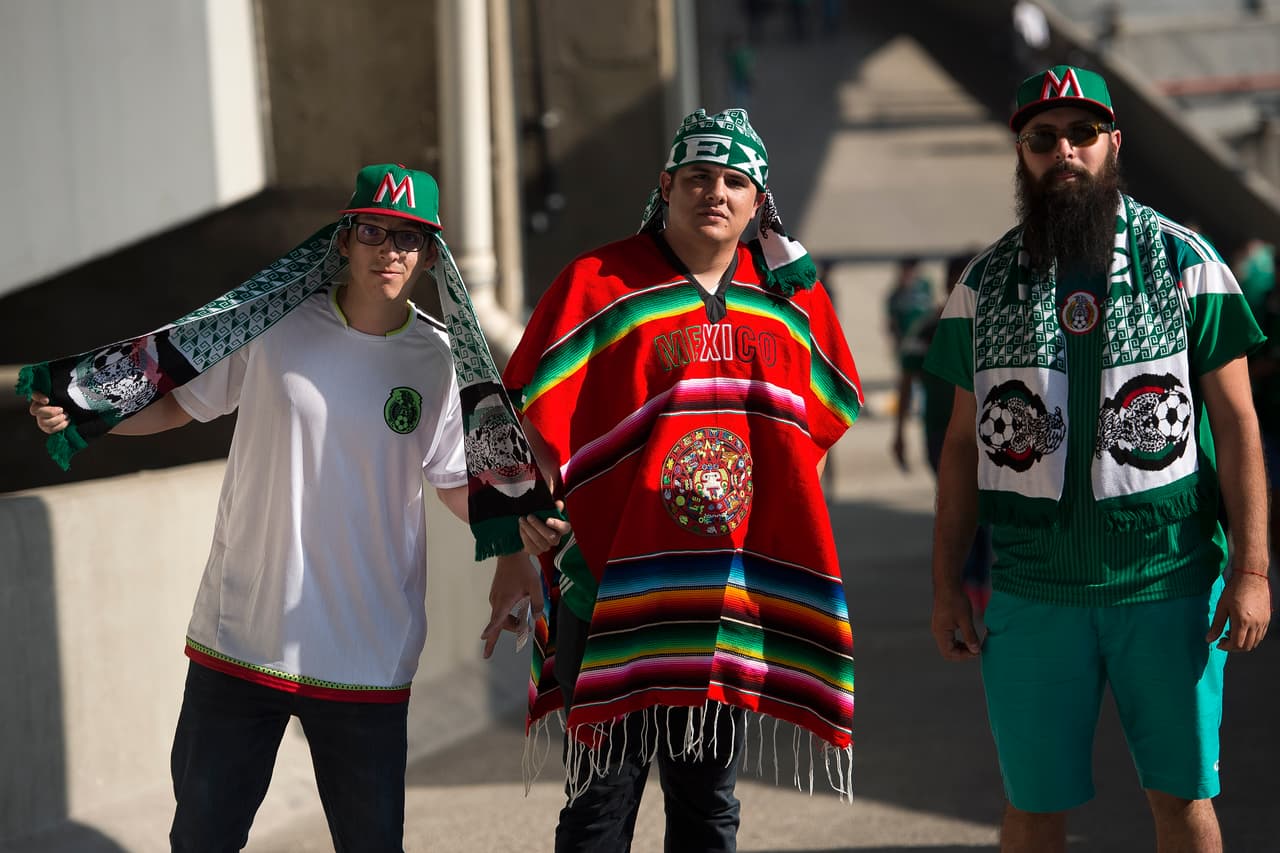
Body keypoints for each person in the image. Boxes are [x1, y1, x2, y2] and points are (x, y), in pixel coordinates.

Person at [25, 163, 565, 851]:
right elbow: (174, 404)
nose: (388, 251)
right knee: (200, 840)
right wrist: (85, 412)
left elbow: (460, 480)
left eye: (407, 238)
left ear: (431, 255)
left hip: (366, 654)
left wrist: (513, 553)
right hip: (240, 639)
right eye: (373, 231)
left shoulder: (438, 359)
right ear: (345, 239)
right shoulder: (271, 326)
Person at [925, 66, 1271, 853]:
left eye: (1083, 134)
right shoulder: (983, 286)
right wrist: (946, 585)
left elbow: (1240, 423)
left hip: (1168, 586)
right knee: (1033, 812)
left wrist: (1251, 570)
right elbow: (957, 448)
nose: (1066, 151)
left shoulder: (1187, 263)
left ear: (1114, 143)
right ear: (1023, 154)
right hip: (1032, 590)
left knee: (1183, 803)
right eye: (1044, 139)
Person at [501, 108, 863, 851]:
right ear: (666, 185)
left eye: (735, 180)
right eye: (698, 177)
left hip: (725, 591)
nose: (715, 193)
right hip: (605, 585)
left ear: (758, 201)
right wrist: (534, 504)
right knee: (601, 798)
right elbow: (526, 413)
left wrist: (768, 511)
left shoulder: (786, 295)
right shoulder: (598, 283)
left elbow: (817, 422)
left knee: (707, 803)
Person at [893, 251, 992, 613]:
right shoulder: (928, 328)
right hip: (941, 434)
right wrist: (900, 432)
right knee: (958, 501)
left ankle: (978, 576)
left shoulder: (994, 327)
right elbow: (906, 380)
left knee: (981, 508)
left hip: (989, 435)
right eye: (957, 280)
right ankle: (968, 579)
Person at [884, 256, 934, 355]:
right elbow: (892, 322)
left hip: (925, 340)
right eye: (906, 270)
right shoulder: (895, 294)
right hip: (906, 341)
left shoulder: (925, 286)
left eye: (912, 270)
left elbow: (931, 310)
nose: (910, 273)